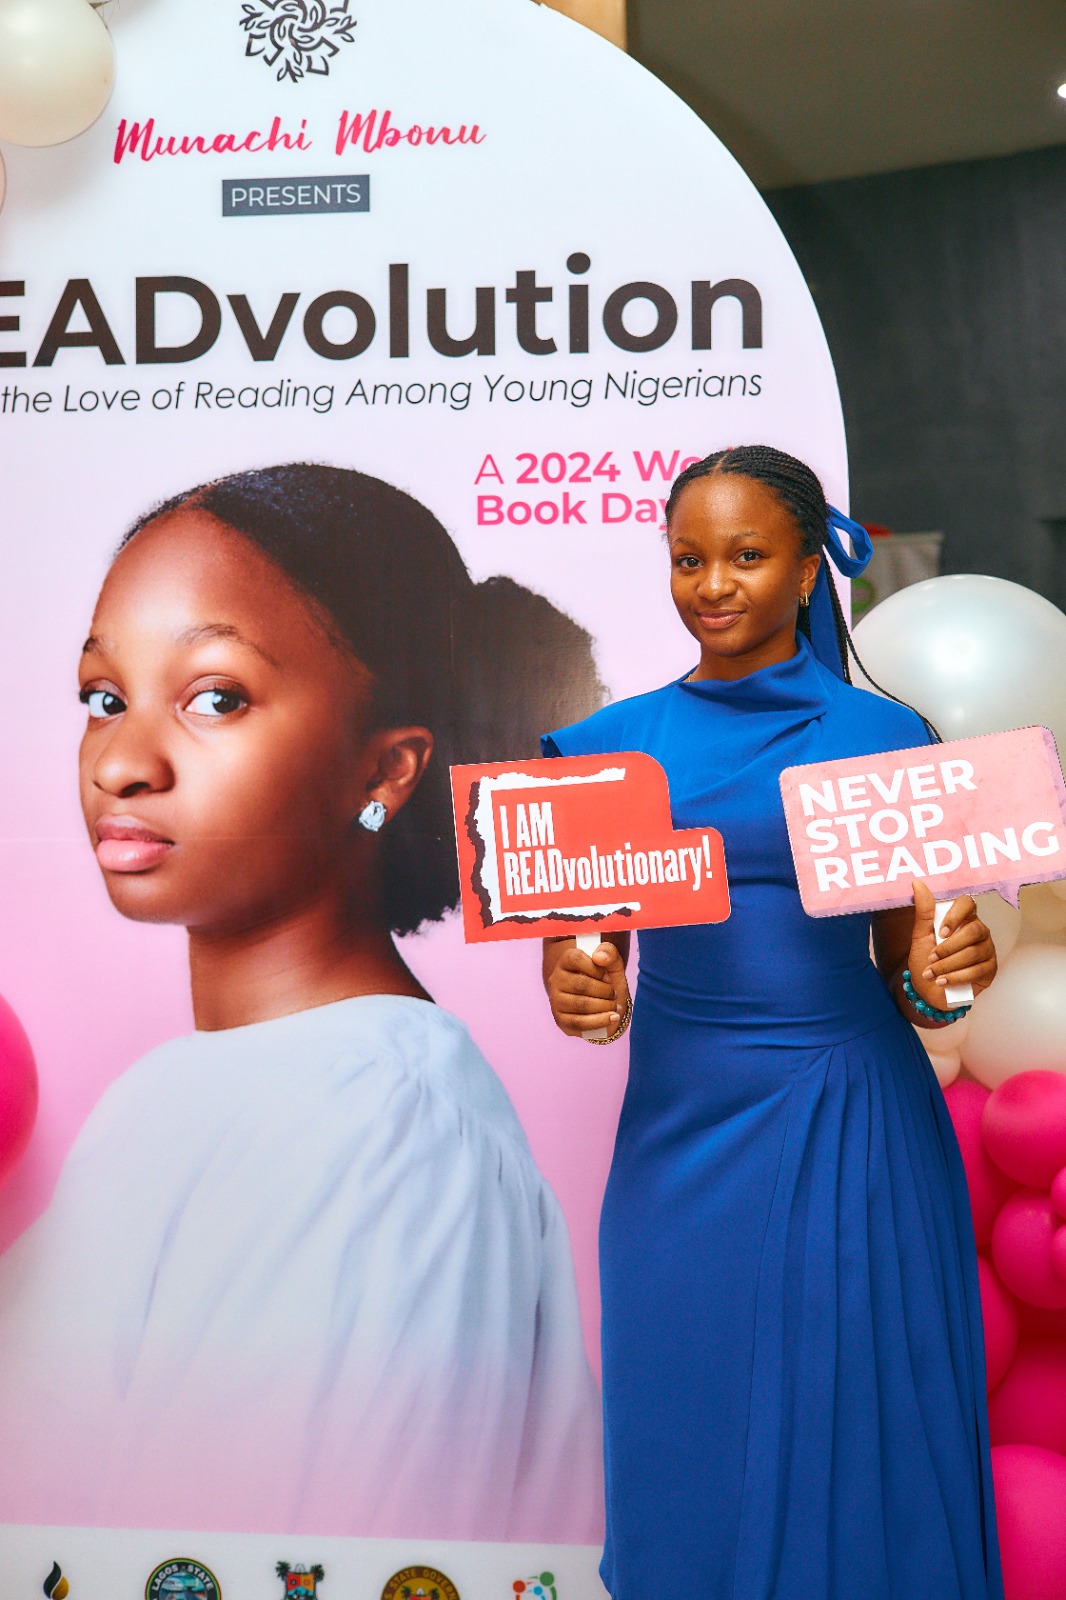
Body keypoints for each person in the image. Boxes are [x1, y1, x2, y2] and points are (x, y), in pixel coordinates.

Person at [0, 463, 603, 1541]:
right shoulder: (189, 1089)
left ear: (385, 772)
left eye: (215, 697)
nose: (122, 763)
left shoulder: (377, 1124)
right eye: (104, 698)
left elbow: (276, 1560)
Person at [542, 445, 1003, 1600]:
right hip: (679, 1133)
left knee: (862, 1424)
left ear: (805, 571)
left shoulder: (884, 739)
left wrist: (948, 975)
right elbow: (583, 957)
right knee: (682, 1411)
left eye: (745, 556)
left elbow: (914, 970)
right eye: (688, 558)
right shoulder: (603, 749)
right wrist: (578, 989)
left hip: (853, 1121)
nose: (712, 584)